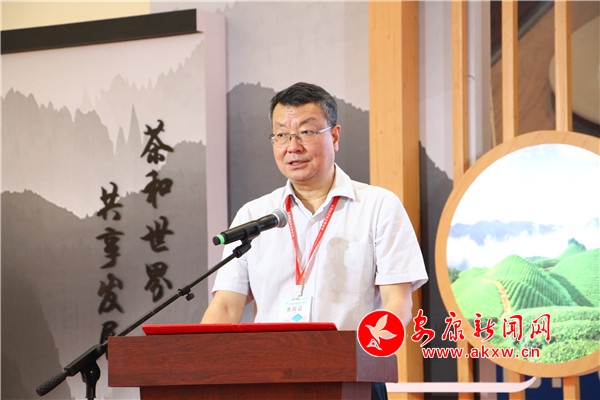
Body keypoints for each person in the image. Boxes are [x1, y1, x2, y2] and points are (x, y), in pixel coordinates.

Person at [202, 82, 428, 399]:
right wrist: (197, 365)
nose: (292, 146)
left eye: (306, 132)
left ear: (334, 136)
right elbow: (226, 306)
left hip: (351, 379)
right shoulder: (254, 215)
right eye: (281, 135)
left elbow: (398, 302)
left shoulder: (378, 206)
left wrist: (369, 351)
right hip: (268, 380)